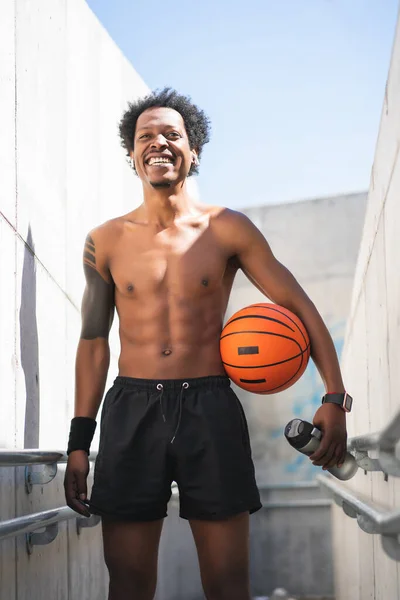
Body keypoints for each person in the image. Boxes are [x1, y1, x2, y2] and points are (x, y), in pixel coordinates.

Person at [64, 88, 350, 600]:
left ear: (193, 149)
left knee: (226, 585)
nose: (158, 143)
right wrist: (79, 444)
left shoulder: (227, 229)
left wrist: (334, 396)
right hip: (131, 409)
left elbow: (300, 308)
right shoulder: (104, 240)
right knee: (127, 584)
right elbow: (92, 345)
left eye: (172, 134)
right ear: (131, 154)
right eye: (145, 136)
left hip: (209, 406)